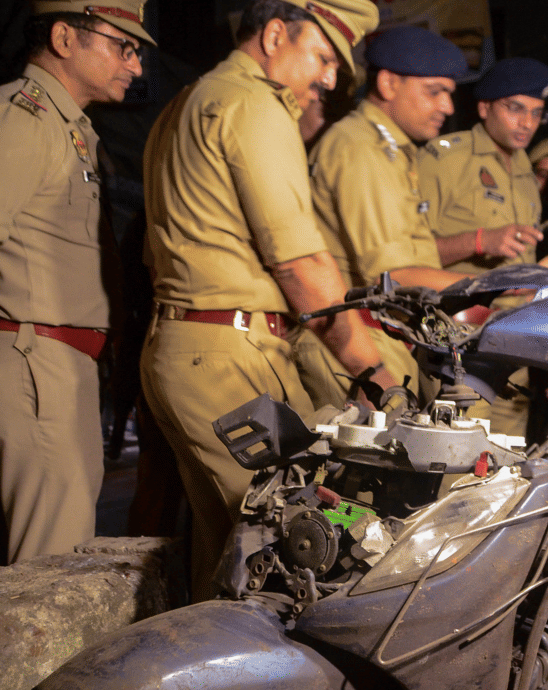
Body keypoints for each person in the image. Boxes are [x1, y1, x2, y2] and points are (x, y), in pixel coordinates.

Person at [142, 0, 387, 601]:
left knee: (228, 553)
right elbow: (300, 263)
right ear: (276, 35)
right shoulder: (254, 104)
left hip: (195, 342)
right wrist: (373, 372)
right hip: (228, 354)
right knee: (292, 551)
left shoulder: (190, 99)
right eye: (323, 56)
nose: (329, 77)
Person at [301, 27, 548, 410]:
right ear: (388, 83)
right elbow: (395, 275)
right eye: (434, 92)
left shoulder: (392, 152)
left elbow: (410, 260)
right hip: (369, 341)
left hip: (404, 339)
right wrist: (517, 281)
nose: (448, 107)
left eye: (449, 93)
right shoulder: (365, 149)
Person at [0, 0, 154, 562]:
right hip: (32, 359)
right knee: (47, 570)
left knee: (59, 553)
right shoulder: (18, 118)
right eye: (122, 47)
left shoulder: (74, 130)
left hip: (60, 363)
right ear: (64, 38)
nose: (135, 66)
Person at [417, 57, 548, 438]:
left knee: (506, 457)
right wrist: (480, 241)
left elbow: (524, 275)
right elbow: (402, 259)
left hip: (514, 341)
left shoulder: (525, 173)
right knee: (455, 454)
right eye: (515, 108)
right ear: (484, 107)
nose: (527, 123)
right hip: (458, 340)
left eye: (536, 113)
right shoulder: (445, 159)